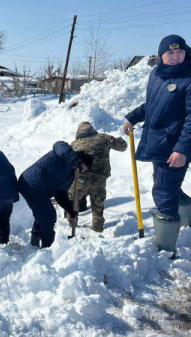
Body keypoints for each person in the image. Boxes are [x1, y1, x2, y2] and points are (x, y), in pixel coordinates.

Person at [122, 35, 191, 225]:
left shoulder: (188, 77)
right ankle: (187, 219)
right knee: (165, 185)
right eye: (170, 52)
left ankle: (165, 249)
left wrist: (182, 149)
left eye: (180, 52)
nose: (176, 56)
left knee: (164, 191)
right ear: (161, 55)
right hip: (158, 142)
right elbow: (154, 104)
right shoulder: (157, 74)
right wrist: (132, 117)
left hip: (174, 146)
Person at [18, 141, 93, 248]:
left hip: (38, 188)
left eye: (85, 169)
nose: (83, 170)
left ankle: (35, 241)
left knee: (42, 214)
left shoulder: (71, 174)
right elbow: (58, 145)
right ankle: (47, 247)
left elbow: (60, 193)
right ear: (81, 160)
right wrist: (76, 161)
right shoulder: (65, 152)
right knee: (49, 216)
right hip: (32, 182)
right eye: (84, 167)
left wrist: (70, 208)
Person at [68, 122, 127, 232]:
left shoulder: (74, 144)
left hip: (80, 179)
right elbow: (122, 147)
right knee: (97, 204)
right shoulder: (103, 138)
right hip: (99, 177)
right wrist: (121, 140)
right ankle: (97, 227)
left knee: (72, 200)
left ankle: (72, 223)